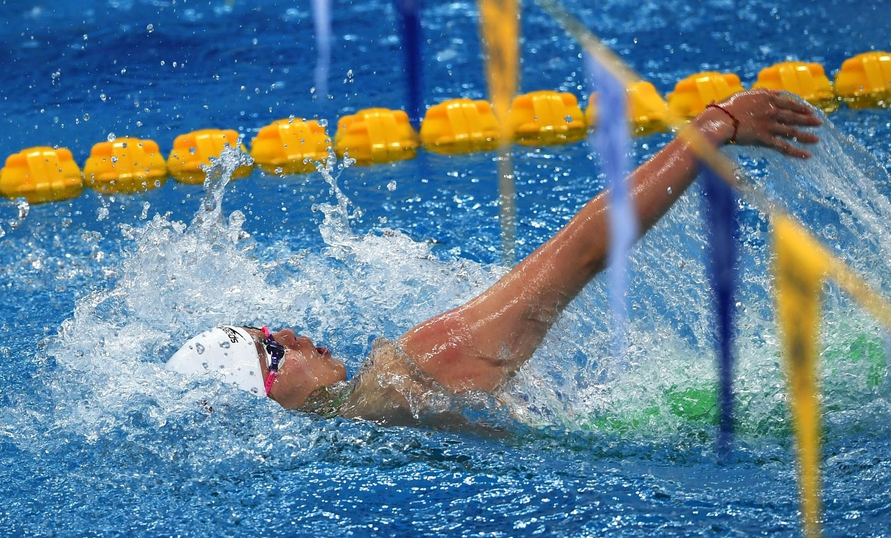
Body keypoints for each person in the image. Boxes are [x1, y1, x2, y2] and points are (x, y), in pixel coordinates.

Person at [167, 89, 822, 426]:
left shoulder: (367, 432)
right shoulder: (407, 375)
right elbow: (585, 249)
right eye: (271, 351)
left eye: (264, 330)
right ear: (271, 398)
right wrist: (714, 128)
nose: (286, 330)